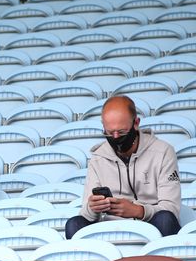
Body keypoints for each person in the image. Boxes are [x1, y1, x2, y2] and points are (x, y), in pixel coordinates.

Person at [65, 96, 181, 239]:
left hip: (151, 223)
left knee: (166, 220)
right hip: (110, 226)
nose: (115, 137)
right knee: (74, 224)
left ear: (136, 123)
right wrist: (93, 208)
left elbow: (171, 208)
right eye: (109, 132)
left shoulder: (163, 152)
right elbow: (85, 214)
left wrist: (138, 211)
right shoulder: (98, 158)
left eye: (121, 132)